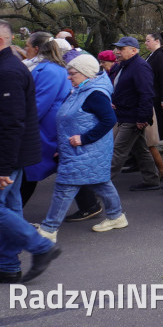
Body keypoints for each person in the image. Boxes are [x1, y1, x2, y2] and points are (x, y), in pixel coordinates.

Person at [37, 54, 127, 241]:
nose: (68, 77)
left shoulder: (95, 94)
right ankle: (116, 216)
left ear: (86, 73)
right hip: (79, 150)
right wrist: (62, 146)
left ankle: (48, 229)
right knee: (100, 183)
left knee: (64, 187)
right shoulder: (82, 90)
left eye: (72, 73)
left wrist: (84, 139)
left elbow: (109, 120)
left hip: (85, 151)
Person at [0, 20, 63, 283]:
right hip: (13, 153)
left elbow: (12, 122)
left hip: (8, 154)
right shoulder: (10, 67)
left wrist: (3, 166)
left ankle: (40, 246)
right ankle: (8, 265)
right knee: (11, 207)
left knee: (5, 208)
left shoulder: (8, 71)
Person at [20, 33, 72, 208]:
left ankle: (12, 215)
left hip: (43, 130)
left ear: (36, 49)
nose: (25, 49)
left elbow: (38, 105)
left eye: (27, 46)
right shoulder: (50, 68)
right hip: (45, 128)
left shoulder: (48, 71)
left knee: (28, 173)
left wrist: (19, 126)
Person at [107, 36, 162, 190]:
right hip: (125, 114)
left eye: (121, 49)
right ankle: (151, 180)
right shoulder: (123, 66)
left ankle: (98, 185)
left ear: (133, 51)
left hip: (132, 117)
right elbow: (121, 88)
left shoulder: (139, 66)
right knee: (140, 149)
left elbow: (146, 93)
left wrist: (142, 118)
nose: (117, 52)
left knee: (117, 151)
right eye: (117, 48)